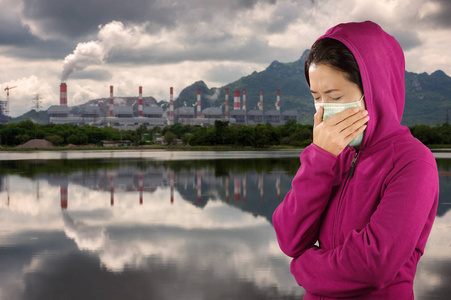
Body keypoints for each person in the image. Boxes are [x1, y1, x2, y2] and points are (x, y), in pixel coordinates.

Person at [272, 21, 439, 299]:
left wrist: (303, 267)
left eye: (335, 96)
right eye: (316, 97)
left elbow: (371, 267)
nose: (324, 109)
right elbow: (290, 239)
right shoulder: (333, 153)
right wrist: (318, 158)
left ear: (375, 93)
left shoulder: (413, 163)